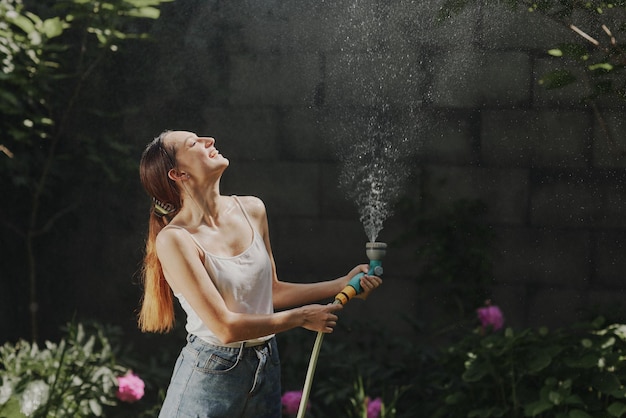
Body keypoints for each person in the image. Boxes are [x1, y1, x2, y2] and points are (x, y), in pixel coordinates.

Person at [137, 130, 382, 418]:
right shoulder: (176, 239)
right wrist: (301, 317)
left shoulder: (252, 209)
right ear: (178, 174)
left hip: (265, 363)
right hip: (213, 371)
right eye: (195, 143)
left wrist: (341, 284)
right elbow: (225, 328)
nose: (210, 141)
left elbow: (272, 291)